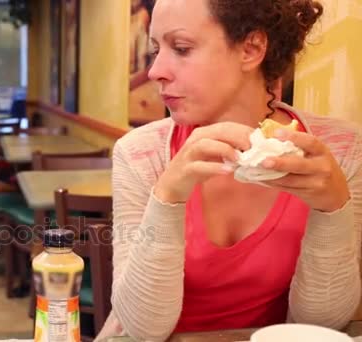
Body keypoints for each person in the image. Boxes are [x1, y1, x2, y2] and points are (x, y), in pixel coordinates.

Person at [98, 0, 362, 341]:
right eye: (155, 50)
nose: (155, 71)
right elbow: (143, 329)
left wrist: (332, 210)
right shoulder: (139, 154)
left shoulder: (340, 150)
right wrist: (167, 197)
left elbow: (321, 325)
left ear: (251, 49)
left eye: (180, 48)